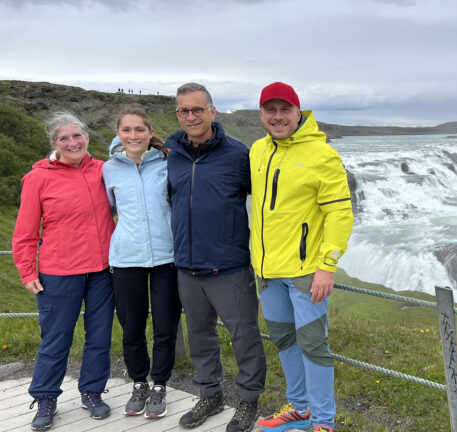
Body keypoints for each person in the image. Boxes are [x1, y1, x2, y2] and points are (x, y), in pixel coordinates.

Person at [164, 82, 267, 432]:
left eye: (197, 109)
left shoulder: (238, 154)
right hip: (187, 267)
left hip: (230, 267)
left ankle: (248, 401)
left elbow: (271, 200)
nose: (190, 116)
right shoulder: (172, 153)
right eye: (183, 111)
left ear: (212, 111)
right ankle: (210, 395)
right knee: (200, 335)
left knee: (245, 337)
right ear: (178, 114)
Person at [252, 82, 354, 432]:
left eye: (285, 110)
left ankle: (324, 422)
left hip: (306, 273)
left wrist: (327, 266)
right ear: (262, 114)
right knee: (284, 341)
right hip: (267, 273)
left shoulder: (321, 154)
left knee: (313, 345)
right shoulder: (257, 151)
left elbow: (340, 214)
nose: (278, 117)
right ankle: (300, 409)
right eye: (271, 110)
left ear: (299, 113)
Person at [12, 112, 116, 430]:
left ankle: (92, 392)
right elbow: (26, 231)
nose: (72, 142)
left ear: (86, 137)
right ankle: (45, 397)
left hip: (102, 271)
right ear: (54, 144)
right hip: (59, 272)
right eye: (64, 138)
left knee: (99, 337)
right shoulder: (38, 178)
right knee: (56, 339)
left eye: (77, 136)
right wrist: (27, 271)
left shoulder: (104, 170)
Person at [102, 107, 182, 419]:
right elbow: (107, 210)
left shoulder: (166, 162)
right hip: (126, 259)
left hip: (166, 257)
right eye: (127, 130)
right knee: (131, 327)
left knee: (165, 326)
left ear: (150, 133)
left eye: (139, 130)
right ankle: (139, 382)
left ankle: (160, 384)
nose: (133, 136)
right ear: (118, 134)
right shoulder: (109, 169)